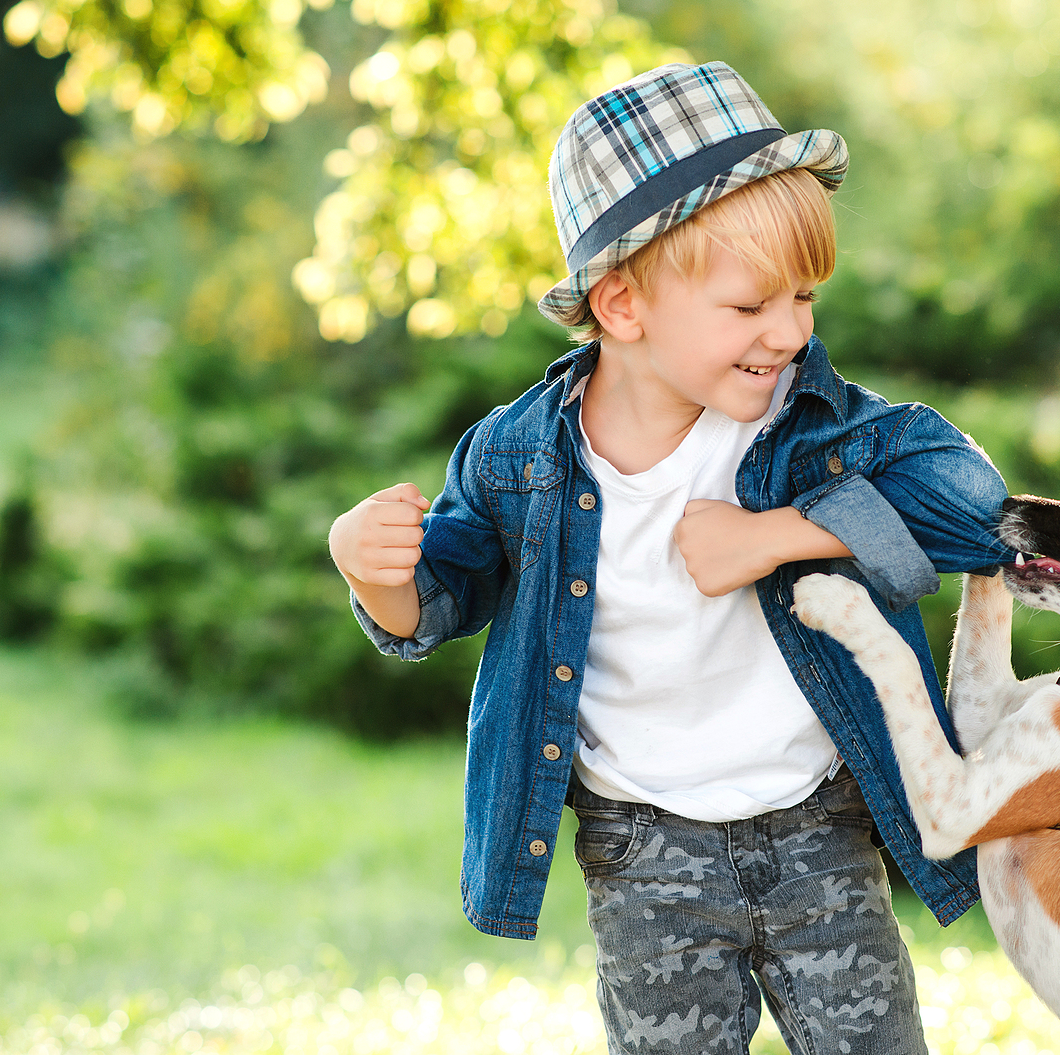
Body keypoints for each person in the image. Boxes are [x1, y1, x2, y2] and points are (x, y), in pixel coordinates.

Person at [328, 61, 1013, 1054]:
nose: (788, 333)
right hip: (643, 851)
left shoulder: (811, 427)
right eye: (749, 309)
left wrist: (779, 534)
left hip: (819, 825)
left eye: (805, 299)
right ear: (621, 308)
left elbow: (976, 508)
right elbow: (436, 606)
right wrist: (373, 574)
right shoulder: (517, 459)